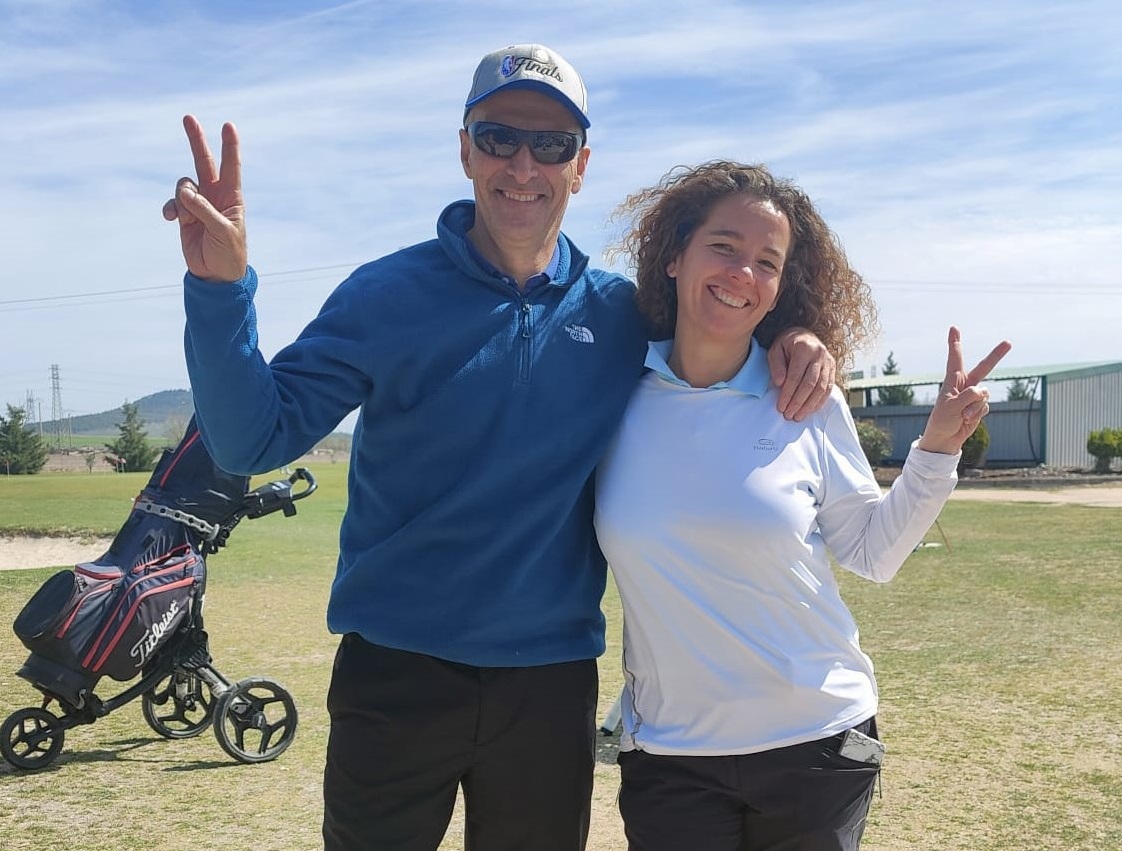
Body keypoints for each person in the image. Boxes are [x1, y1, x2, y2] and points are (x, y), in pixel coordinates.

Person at [162, 45, 835, 851]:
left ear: (580, 166)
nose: (523, 164)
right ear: (464, 151)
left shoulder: (620, 315)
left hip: (547, 687)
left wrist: (797, 336)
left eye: (550, 144)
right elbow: (251, 438)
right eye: (498, 137)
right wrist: (219, 291)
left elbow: (720, 320)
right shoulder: (384, 294)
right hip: (395, 674)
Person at [595, 161, 1012, 851]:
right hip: (669, 753)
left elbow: (873, 553)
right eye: (723, 246)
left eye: (767, 261)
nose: (742, 273)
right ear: (674, 256)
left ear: (780, 287)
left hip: (816, 744)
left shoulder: (806, 398)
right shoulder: (610, 393)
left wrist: (937, 447)